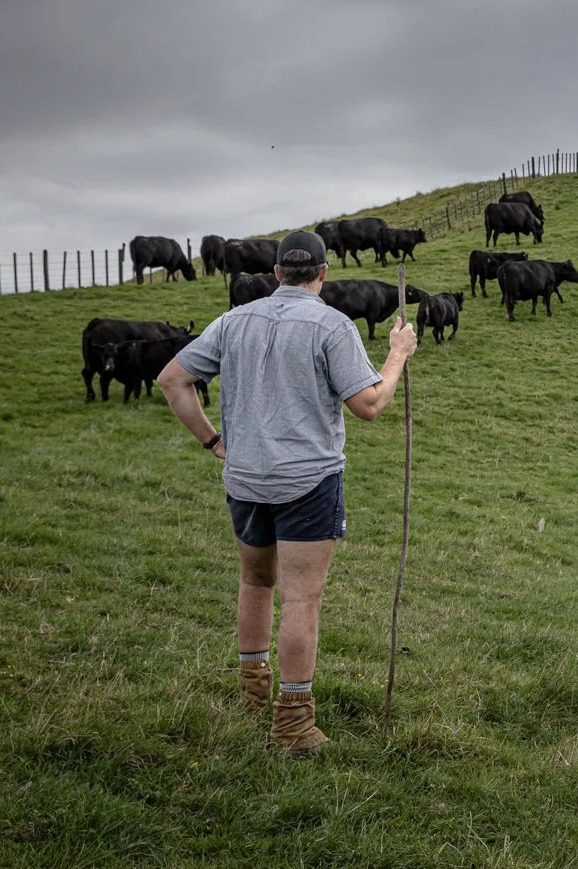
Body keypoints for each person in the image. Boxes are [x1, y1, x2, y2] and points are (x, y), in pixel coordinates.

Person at [158, 229, 416, 754]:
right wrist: (397, 355)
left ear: (276, 273)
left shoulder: (235, 320)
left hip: (246, 478)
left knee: (255, 583)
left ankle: (253, 692)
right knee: (301, 596)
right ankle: (293, 723)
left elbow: (171, 379)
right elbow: (368, 405)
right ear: (323, 274)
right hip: (307, 480)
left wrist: (214, 442)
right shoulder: (331, 324)